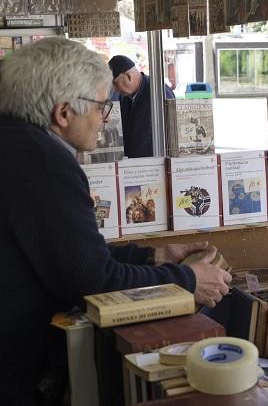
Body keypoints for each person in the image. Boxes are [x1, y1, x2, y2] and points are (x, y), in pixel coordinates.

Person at [0, 38, 231, 404]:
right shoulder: (45, 163)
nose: (104, 119)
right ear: (63, 113)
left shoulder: (16, 144)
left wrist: (154, 257)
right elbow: (92, 279)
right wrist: (188, 279)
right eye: (101, 106)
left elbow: (71, 254)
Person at [108, 54, 175, 158]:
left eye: (116, 84)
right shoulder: (124, 97)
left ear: (128, 76)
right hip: (131, 165)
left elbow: (172, 132)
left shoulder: (158, 91)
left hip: (155, 165)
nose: (116, 89)